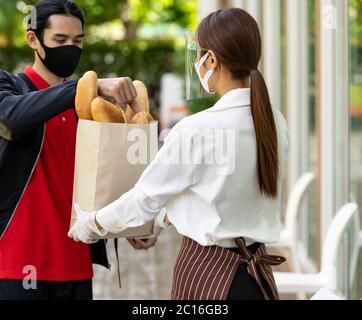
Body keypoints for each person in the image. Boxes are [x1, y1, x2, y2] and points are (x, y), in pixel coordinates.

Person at [69, 8, 290, 300]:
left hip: (209, 276)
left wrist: (91, 224)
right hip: (257, 279)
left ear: (211, 59)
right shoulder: (275, 121)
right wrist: (161, 221)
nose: (196, 62)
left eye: (198, 54)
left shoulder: (197, 129)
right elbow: (217, 195)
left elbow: (143, 199)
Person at [0, 0, 150, 300]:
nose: (70, 48)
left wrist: (131, 221)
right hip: (20, 265)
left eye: (77, 41)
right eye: (60, 40)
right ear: (33, 39)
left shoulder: (91, 107)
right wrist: (82, 87)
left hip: (77, 262)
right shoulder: (11, 86)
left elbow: (108, 175)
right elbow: (10, 118)